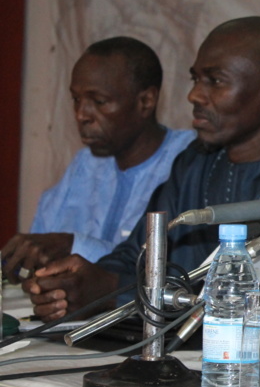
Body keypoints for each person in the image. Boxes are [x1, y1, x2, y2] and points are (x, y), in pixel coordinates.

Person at [22, 17, 260, 344]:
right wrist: (81, 283)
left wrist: (113, 289)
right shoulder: (195, 161)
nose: (194, 95)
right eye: (195, 80)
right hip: (188, 354)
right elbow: (138, 255)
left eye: (215, 81)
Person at [1, 37, 194, 282]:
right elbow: (39, 246)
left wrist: (71, 244)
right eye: (76, 99)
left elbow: (171, 270)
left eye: (99, 102)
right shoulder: (85, 164)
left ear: (146, 101)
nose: (81, 115)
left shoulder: (189, 160)